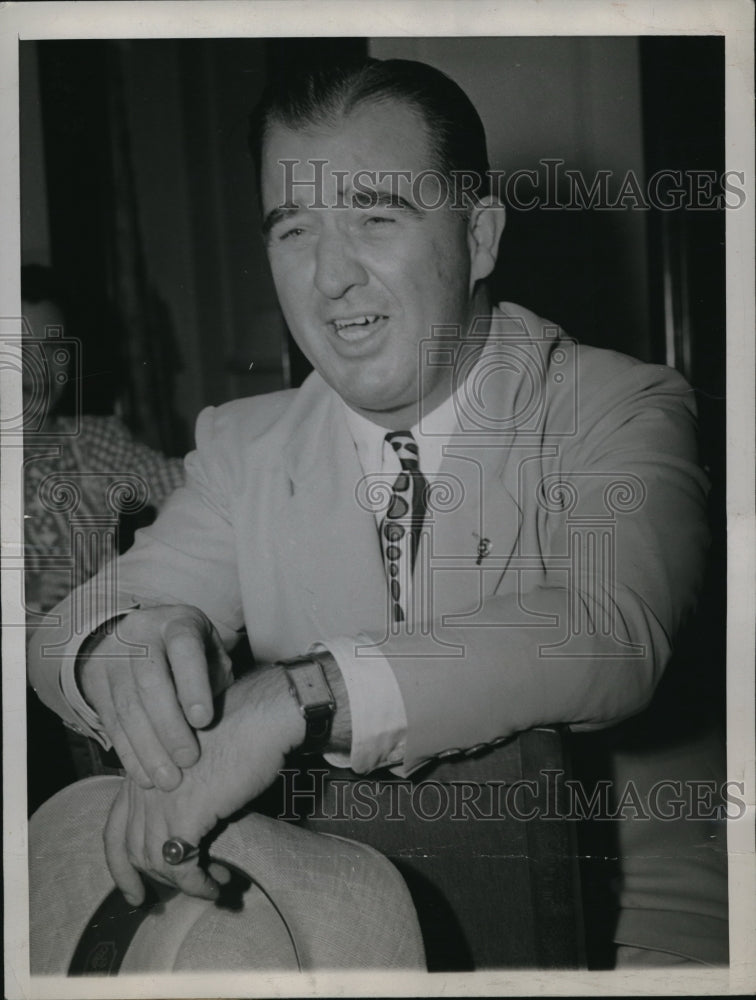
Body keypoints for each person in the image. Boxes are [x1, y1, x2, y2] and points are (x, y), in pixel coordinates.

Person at [27, 58, 726, 967]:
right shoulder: (247, 447)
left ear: (478, 236)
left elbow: (607, 628)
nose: (329, 280)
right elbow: (63, 629)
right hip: (337, 911)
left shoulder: (621, 406)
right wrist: (112, 645)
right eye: (294, 231)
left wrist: (297, 698)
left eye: (376, 218)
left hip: (617, 936)